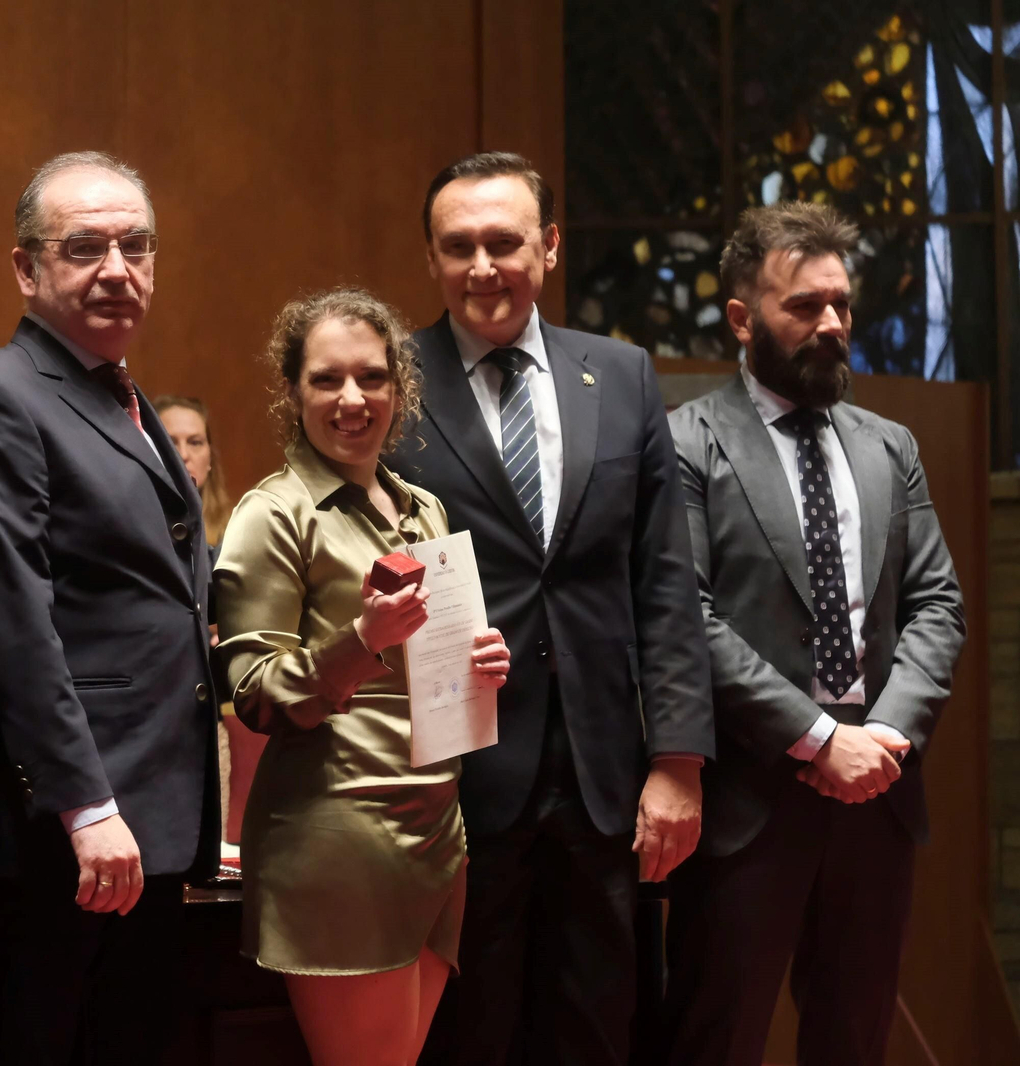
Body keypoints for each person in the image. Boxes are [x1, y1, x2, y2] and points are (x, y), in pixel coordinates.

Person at [387, 152, 715, 1066]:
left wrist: (679, 760)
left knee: (598, 1031)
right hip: (456, 779)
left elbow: (663, 579)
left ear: (552, 246)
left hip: (602, 777)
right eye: (459, 247)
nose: (483, 267)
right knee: (470, 1032)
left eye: (504, 243)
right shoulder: (386, 385)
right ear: (432, 258)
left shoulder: (621, 375)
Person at [661, 202, 964, 1066]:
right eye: (804, 307)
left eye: (841, 304)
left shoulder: (888, 445)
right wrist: (820, 738)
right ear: (742, 318)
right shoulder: (686, 444)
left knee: (853, 1040)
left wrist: (886, 738)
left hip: (878, 794)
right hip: (751, 798)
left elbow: (937, 603)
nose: (831, 325)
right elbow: (688, 614)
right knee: (717, 1040)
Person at [0, 151, 219, 1065]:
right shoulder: (5, 394)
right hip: (73, 821)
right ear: (28, 269)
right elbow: (15, 620)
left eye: (136, 247)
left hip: (151, 804)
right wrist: (83, 804)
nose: (118, 269)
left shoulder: (124, 394)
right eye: (86, 248)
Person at [215, 288, 509, 1066]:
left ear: (400, 389)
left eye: (373, 377)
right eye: (326, 379)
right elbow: (257, 693)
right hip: (337, 834)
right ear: (291, 392)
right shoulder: (275, 514)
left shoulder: (426, 510)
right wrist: (362, 640)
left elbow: (435, 667)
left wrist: (480, 666)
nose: (353, 399)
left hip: (436, 827)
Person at [154, 395, 233, 545]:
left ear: (210, 458)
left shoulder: (236, 532)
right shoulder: (129, 528)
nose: (183, 455)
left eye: (195, 442)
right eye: (170, 443)